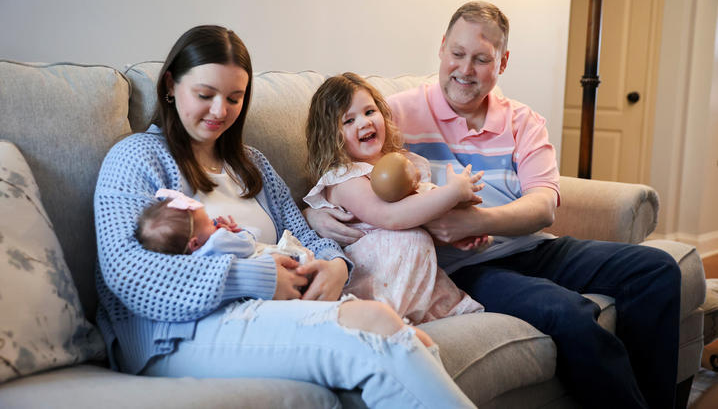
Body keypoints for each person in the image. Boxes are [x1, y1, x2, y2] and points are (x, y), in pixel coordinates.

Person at [304, 2, 682, 409]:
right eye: (458, 54)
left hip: (535, 246)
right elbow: (339, 168)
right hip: (469, 269)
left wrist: (476, 221)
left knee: (656, 269)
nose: (465, 69)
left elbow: (543, 207)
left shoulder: (524, 121)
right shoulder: (393, 114)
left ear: (502, 62)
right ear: (442, 48)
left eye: (482, 59)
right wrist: (314, 214)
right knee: (569, 313)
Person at [94, 25, 476, 408]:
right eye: (205, 95)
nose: (219, 111)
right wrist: (257, 277)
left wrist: (336, 268)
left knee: (416, 342)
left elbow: (308, 236)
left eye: (234, 98)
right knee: (376, 327)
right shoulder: (136, 157)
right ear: (170, 86)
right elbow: (128, 272)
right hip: (178, 332)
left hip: (275, 310)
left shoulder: (250, 164)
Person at [304, 72, 485, 324]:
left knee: (470, 316)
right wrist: (451, 192)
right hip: (376, 282)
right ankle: (385, 322)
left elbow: (420, 215)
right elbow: (390, 216)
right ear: (330, 137)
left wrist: (456, 229)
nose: (364, 122)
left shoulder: (402, 165)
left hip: (419, 281)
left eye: (369, 112)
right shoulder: (344, 178)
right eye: (348, 120)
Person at [136, 188, 314, 263]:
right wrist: (236, 231)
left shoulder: (201, 251)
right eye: (208, 222)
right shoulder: (217, 241)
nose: (214, 221)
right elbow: (250, 242)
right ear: (195, 244)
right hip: (266, 262)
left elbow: (303, 232)